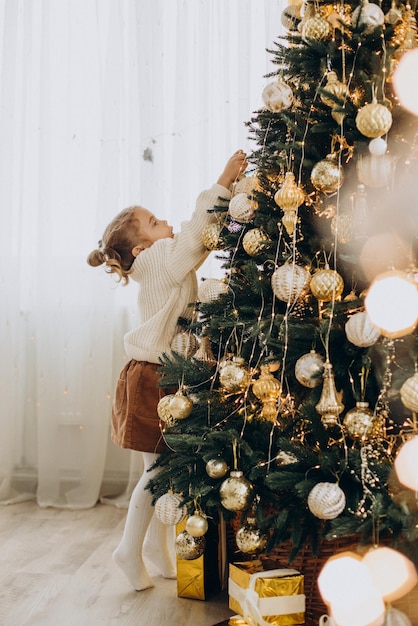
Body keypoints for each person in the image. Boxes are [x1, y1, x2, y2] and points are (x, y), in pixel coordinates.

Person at [87, 150, 248, 591]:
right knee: (158, 473)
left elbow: (201, 237)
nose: (167, 224)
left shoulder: (156, 262)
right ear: (141, 248)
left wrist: (234, 198)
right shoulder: (157, 262)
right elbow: (197, 236)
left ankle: (155, 550)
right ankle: (127, 549)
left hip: (152, 373)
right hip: (155, 379)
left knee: (155, 471)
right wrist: (221, 182)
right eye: (156, 222)